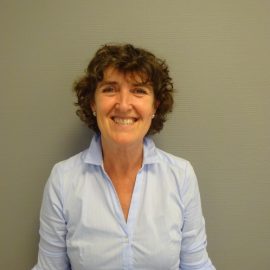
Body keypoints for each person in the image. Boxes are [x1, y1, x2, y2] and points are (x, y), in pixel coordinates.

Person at [32, 43, 215, 270]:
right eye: (110, 89)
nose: (124, 104)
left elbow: (196, 265)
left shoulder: (181, 175)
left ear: (154, 106)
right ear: (92, 103)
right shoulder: (63, 179)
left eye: (139, 90)